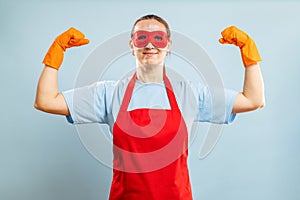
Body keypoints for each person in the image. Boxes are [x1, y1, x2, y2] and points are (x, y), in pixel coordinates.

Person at [34, 14, 265, 200]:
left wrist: (249, 55)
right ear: (131, 46)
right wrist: (55, 55)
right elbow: (46, 101)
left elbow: (253, 100)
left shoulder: (190, 93)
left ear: (168, 45)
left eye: (159, 38)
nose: (150, 45)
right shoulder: (109, 92)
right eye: (141, 38)